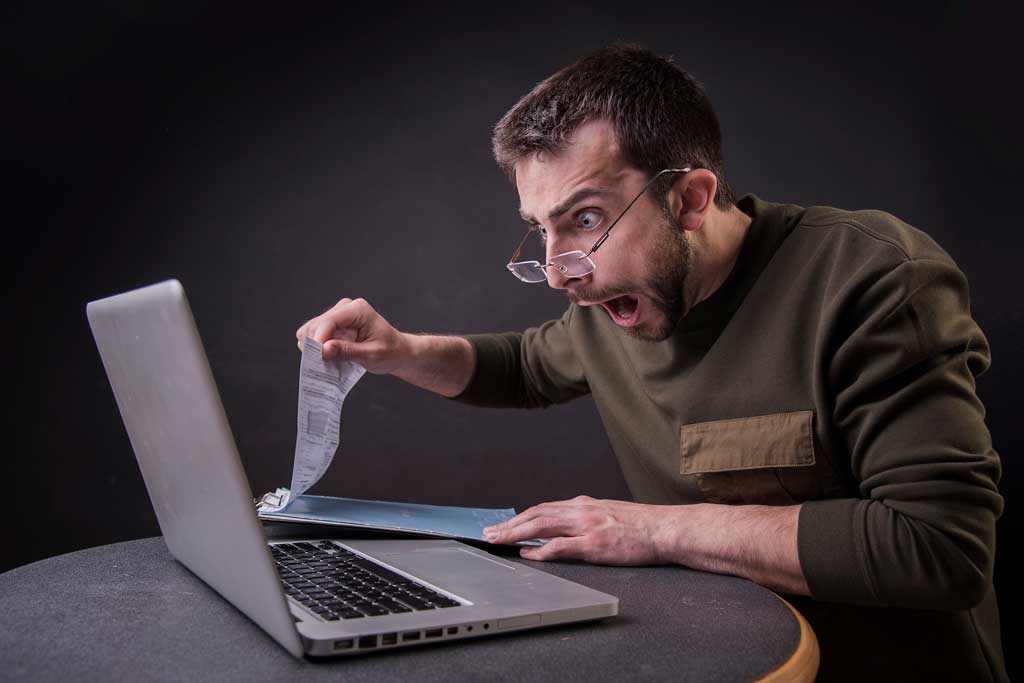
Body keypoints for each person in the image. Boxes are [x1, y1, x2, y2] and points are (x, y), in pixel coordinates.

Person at [296, 44, 1005, 681]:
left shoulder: (872, 279)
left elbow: (938, 546)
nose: (558, 271)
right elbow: (522, 366)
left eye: (584, 219)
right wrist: (399, 351)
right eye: (540, 228)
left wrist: (652, 528)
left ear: (690, 198)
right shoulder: (614, 296)